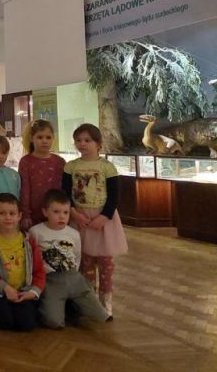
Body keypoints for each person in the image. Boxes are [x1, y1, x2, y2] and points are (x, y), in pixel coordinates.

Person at [63, 123, 128, 319]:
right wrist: (74, 213)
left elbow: (114, 196)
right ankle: (88, 303)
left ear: (98, 143)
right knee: (85, 262)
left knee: (106, 263)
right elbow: (65, 193)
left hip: (103, 220)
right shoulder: (70, 166)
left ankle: (106, 303)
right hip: (80, 218)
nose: (82, 144)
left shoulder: (108, 167)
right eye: (78, 140)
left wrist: (104, 217)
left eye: (87, 140)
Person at [29, 189, 108, 328]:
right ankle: (55, 305)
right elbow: (32, 258)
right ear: (45, 212)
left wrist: (74, 274)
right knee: (54, 322)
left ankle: (72, 304)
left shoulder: (73, 233)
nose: (61, 217)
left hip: (73, 277)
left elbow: (77, 256)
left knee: (100, 315)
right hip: (51, 280)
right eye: (56, 212)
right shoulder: (36, 231)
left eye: (65, 212)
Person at [0, 193, 45, 332]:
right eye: (2, 213)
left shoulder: (29, 241)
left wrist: (33, 292)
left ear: (19, 216)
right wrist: (5, 289)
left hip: (23, 291)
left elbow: (39, 270)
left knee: (27, 324)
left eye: (12, 213)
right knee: (5, 323)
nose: (8, 217)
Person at [19, 120, 66, 230]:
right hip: (32, 216)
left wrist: (64, 213)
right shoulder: (26, 161)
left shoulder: (60, 162)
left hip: (56, 215)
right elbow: (24, 189)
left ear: (53, 138)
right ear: (32, 138)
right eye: (40, 137)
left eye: (48, 137)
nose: (44, 141)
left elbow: (64, 190)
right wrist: (25, 215)